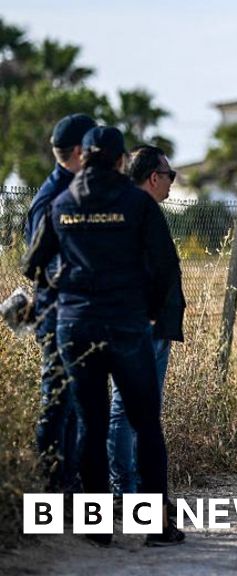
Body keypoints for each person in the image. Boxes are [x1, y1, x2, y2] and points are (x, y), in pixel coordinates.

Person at [22, 126, 185, 547]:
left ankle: (97, 529)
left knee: (92, 424)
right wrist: (149, 313)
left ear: (85, 157)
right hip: (127, 326)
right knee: (145, 423)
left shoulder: (62, 203)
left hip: (75, 328)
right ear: (118, 162)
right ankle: (154, 525)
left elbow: (32, 263)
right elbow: (167, 267)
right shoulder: (137, 204)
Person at [24, 113, 96, 494]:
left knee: (71, 406)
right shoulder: (52, 199)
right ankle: (53, 490)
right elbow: (42, 266)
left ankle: (69, 486)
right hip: (58, 315)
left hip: (73, 314)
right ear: (81, 151)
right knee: (57, 404)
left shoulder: (76, 190)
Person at [108, 145, 185, 496]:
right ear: (154, 177)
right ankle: (125, 487)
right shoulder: (138, 211)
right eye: (170, 175)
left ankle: (131, 484)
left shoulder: (123, 207)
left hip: (145, 325)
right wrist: (153, 315)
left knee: (138, 410)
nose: (172, 182)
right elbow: (160, 268)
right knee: (127, 409)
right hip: (142, 326)